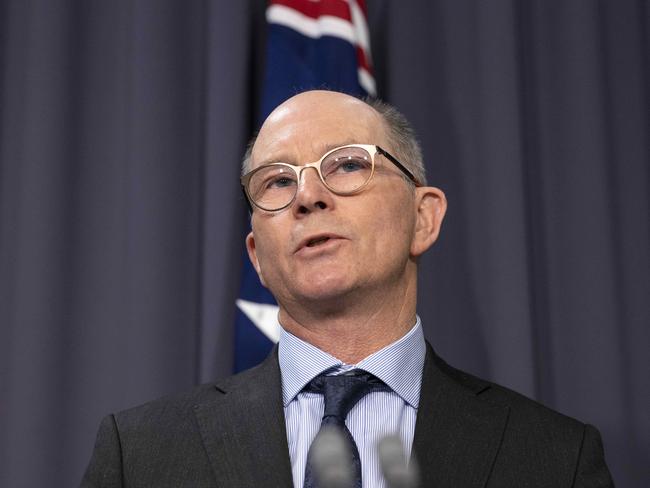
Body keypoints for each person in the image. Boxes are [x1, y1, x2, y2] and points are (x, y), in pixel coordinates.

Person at [81, 90, 614, 487]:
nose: (308, 196)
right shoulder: (140, 455)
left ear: (423, 218)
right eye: (278, 181)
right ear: (257, 258)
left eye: (348, 164)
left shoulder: (556, 458)